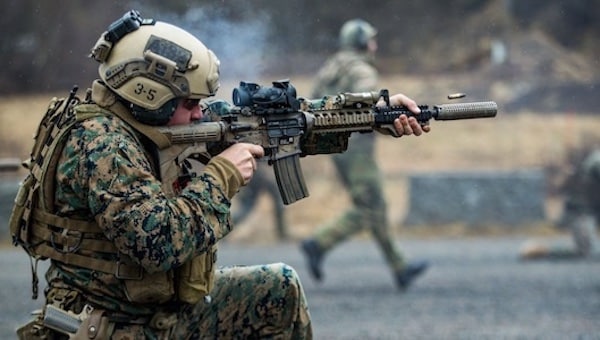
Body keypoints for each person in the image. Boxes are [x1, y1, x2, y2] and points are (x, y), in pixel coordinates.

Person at [11, 11, 429, 339]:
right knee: (277, 287)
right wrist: (221, 176)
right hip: (111, 324)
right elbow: (155, 244)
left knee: (277, 290)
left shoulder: (146, 124)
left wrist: (370, 114)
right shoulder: (101, 143)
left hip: (140, 310)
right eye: (189, 102)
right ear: (149, 95)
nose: (199, 114)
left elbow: (274, 121)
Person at [300, 19, 429, 290]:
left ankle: (399, 267)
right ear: (361, 43)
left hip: (337, 147)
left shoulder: (332, 66)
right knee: (370, 207)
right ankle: (319, 243)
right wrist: (386, 113)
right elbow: (371, 102)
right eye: (371, 40)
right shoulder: (360, 69)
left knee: (375, 205)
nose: (375, 45)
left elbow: (313, 101)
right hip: (357, 149)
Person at [520, 149, 599, 260]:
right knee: (584, 251)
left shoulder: (593, 160)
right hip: (581, 212)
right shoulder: (595, 161)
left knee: (586, 251)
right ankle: (541, 251)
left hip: (587, 210)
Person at [232, 164, 289, 240]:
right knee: (245, 210)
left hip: (258, 173)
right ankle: (221, 227)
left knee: (279, 203)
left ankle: (282, 232)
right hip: (254, 175)